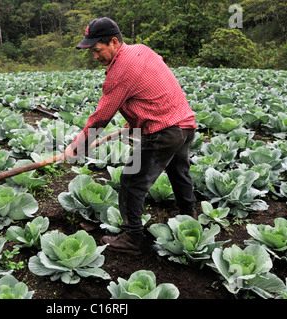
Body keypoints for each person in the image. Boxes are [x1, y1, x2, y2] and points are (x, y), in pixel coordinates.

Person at [64, 17, 197, 255]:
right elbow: (149, 86)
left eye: (97, 50)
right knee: (179, 172)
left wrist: (77, 146)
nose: (95, 56)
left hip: (164, 131)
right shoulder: (141, 51)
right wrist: (133, 121)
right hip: (185, 125)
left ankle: (133, 238)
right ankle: (189, 216)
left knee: (131, 181)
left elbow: (101, 116)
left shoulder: (120, 71)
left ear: (114, 42)